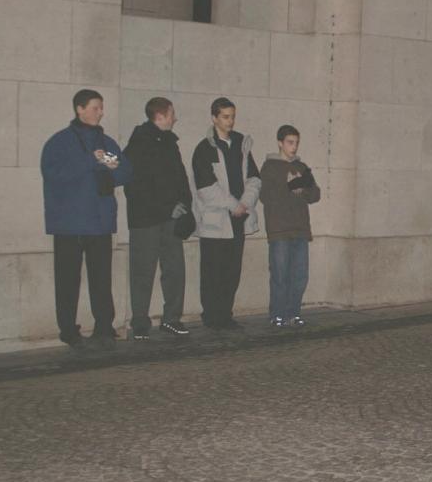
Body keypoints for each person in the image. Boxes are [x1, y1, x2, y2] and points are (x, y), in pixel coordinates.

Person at [40, 89, 133, 350]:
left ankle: (104, 326)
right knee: (67, 280)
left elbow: (126, 171)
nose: (100, 112)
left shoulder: (107, 142)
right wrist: (90, 161)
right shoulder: (59, 142)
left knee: (101, 279)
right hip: (69, 224)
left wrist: (112, 168)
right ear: (79, 109)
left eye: (101, 108)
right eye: (95, 108)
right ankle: (68, 330)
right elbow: (54, 175)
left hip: (99, 222)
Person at [122, 97, 193, 340]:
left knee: (175, 270)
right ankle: (140, 322)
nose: (175, 118)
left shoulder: (170, 143)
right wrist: (167, 209)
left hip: (171, 218)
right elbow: (137, 186)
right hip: (146, 221)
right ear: (160, 116)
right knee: (143, 271)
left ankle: (171, 318)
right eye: (172, 113)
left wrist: (185, 204)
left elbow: (180, 177)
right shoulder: (139, 144)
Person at [191, 97, 261, 330]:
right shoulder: (205, 148)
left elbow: (253, 178)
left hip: (238, 220)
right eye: (225, 117)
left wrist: (245, 203)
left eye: (232, 116)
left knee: (232, 271)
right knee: (213, 272)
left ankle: (225, 315)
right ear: (214, 118)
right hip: (216, 221)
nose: (230, 121)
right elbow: (206, 188)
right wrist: (233, 205)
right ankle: (211, 317)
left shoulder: (241, 144)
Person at [260, 125, 322, 328]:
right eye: (289, 142)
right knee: (280, 274)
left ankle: (293, 313)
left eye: (296, 143)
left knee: (300, 275)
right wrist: (289, 186)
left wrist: (300, 188)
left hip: (300, 229)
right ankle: (277, 313)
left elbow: (315, 194)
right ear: (280, 142)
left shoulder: (302, 167)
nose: (293, 147)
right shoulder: (269, 167)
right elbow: (266, 196)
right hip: (279, 229)